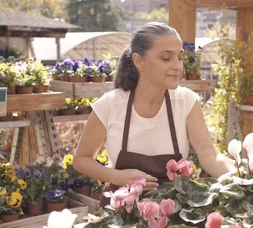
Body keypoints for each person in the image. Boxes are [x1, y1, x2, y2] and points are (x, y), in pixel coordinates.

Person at [73, 22, 234, 205]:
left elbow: (208, 153)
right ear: (138, 60)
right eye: (166, 58)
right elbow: (81, 159)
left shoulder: (185, 101)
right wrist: (117, 176)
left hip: (172, 211)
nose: (177, 66)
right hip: (122, 214)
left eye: (179, 58)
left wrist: (240, 178)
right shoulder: (110, 105)